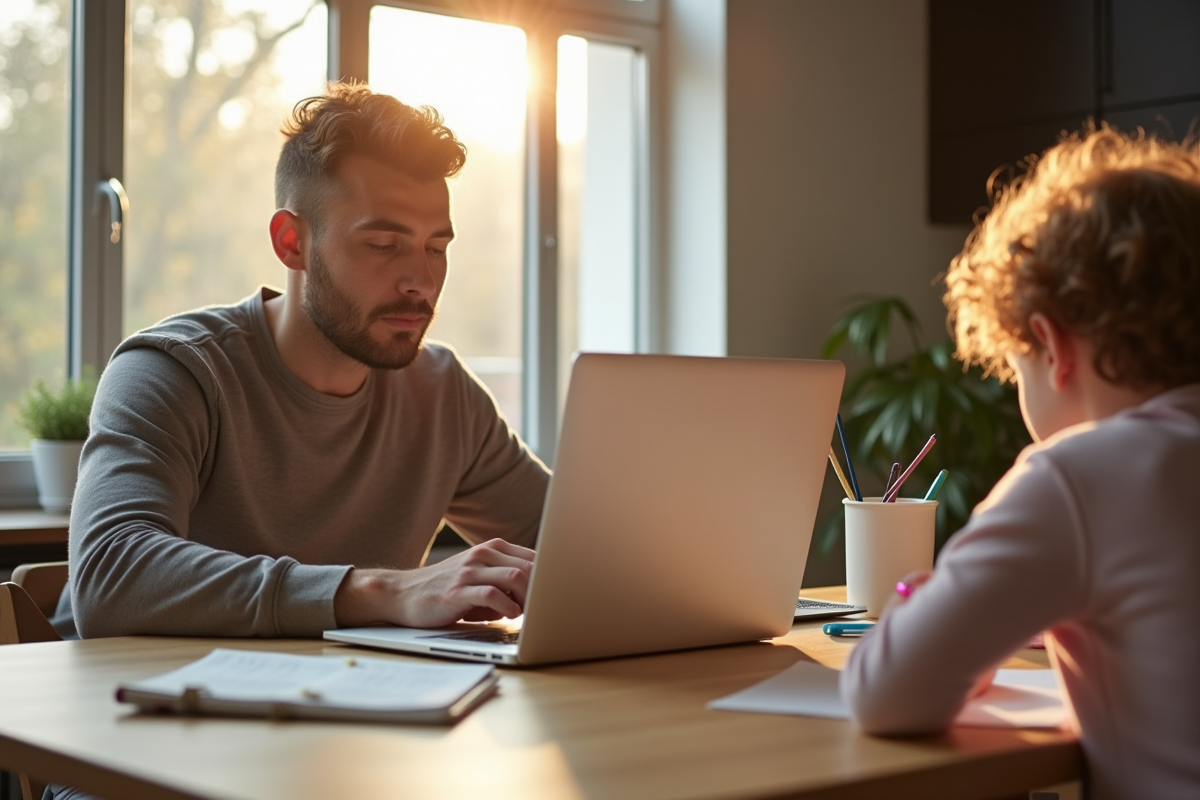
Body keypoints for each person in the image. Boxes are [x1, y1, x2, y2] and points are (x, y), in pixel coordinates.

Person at [61, 82, 551, 640]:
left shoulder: (442, 393)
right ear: (291, 241)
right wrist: (385, 590)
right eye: (384, 245)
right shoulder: (174, 372)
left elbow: (576, 544)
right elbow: (111, 579)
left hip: (343, 705)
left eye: (435, 248)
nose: (421, 281)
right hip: (127, 708)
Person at [840, 126, 1200, 799]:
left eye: (1017, 370)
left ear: (1050, 345)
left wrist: (918, 600)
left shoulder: (1079, 476)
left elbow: (885, 695)